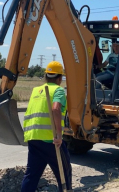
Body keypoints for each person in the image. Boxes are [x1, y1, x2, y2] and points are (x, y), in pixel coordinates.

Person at [21, 61, 72, 192]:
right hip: (51, 140)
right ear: (60, 78)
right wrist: (59, 136)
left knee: (32, 175)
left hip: (33, 138)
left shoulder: (36, 91)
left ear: (46, 76)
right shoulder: (58, 90)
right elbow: (55, 109)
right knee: (64, 172)